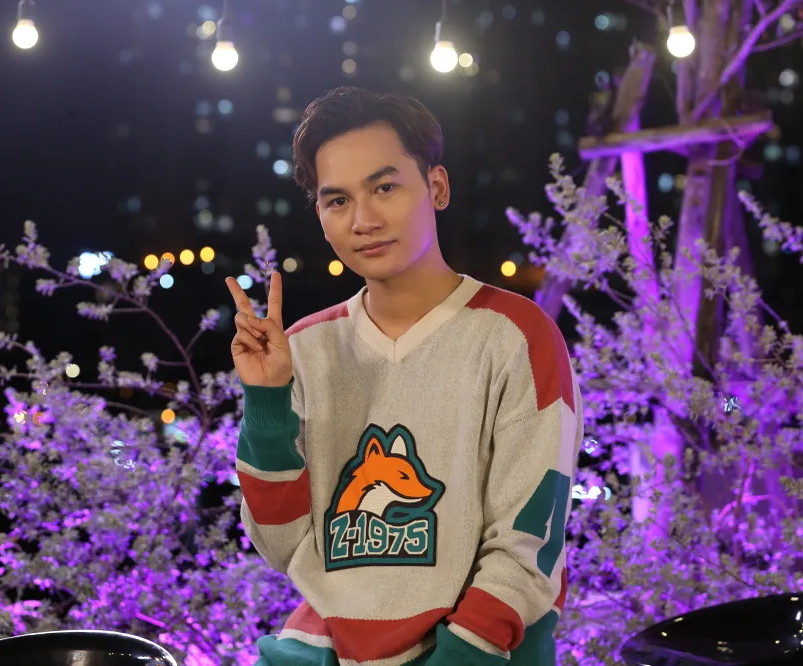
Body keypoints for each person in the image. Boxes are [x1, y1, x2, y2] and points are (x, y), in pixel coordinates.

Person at [226, 86, 583, 666]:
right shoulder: (306, 347)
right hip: (327, 648)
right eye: (337, 200)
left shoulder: (516, 335)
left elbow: (528, 547)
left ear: (437, 187)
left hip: (475, 653)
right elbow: (281, 546)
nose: (363, 220)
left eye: (384, 187)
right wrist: (266, 401)